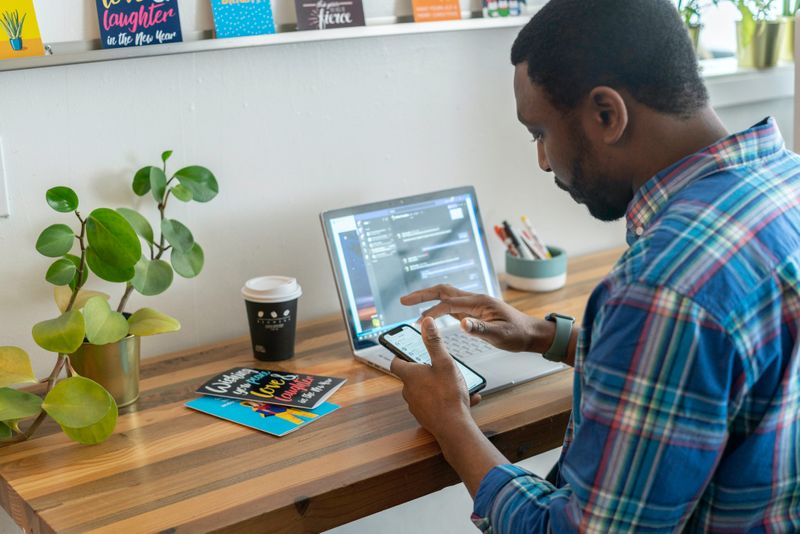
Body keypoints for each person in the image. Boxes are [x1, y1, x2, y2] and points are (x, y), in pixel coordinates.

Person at [390, 0, 800, 531]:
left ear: (607, 114)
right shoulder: (785, 183)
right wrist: (547, 336)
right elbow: (718, 372)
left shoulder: (664, 285)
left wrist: (452, 424)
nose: (542, 160)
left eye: (539, 132)